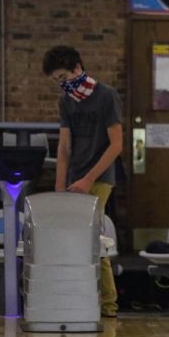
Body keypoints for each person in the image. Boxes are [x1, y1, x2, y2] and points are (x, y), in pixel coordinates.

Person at [42, 45, 123, 318]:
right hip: (74, 177)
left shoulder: (106, 96)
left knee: (89, 239)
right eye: (57, 81)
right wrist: (59, 186)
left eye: (63, 77)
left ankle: (108, 305)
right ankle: (78, 300)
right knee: (72, 241)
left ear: (77, 68)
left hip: (99, 177)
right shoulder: (66, 102)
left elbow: (116, 145)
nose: (62, 84)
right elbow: (64, 148)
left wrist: (89, 179)